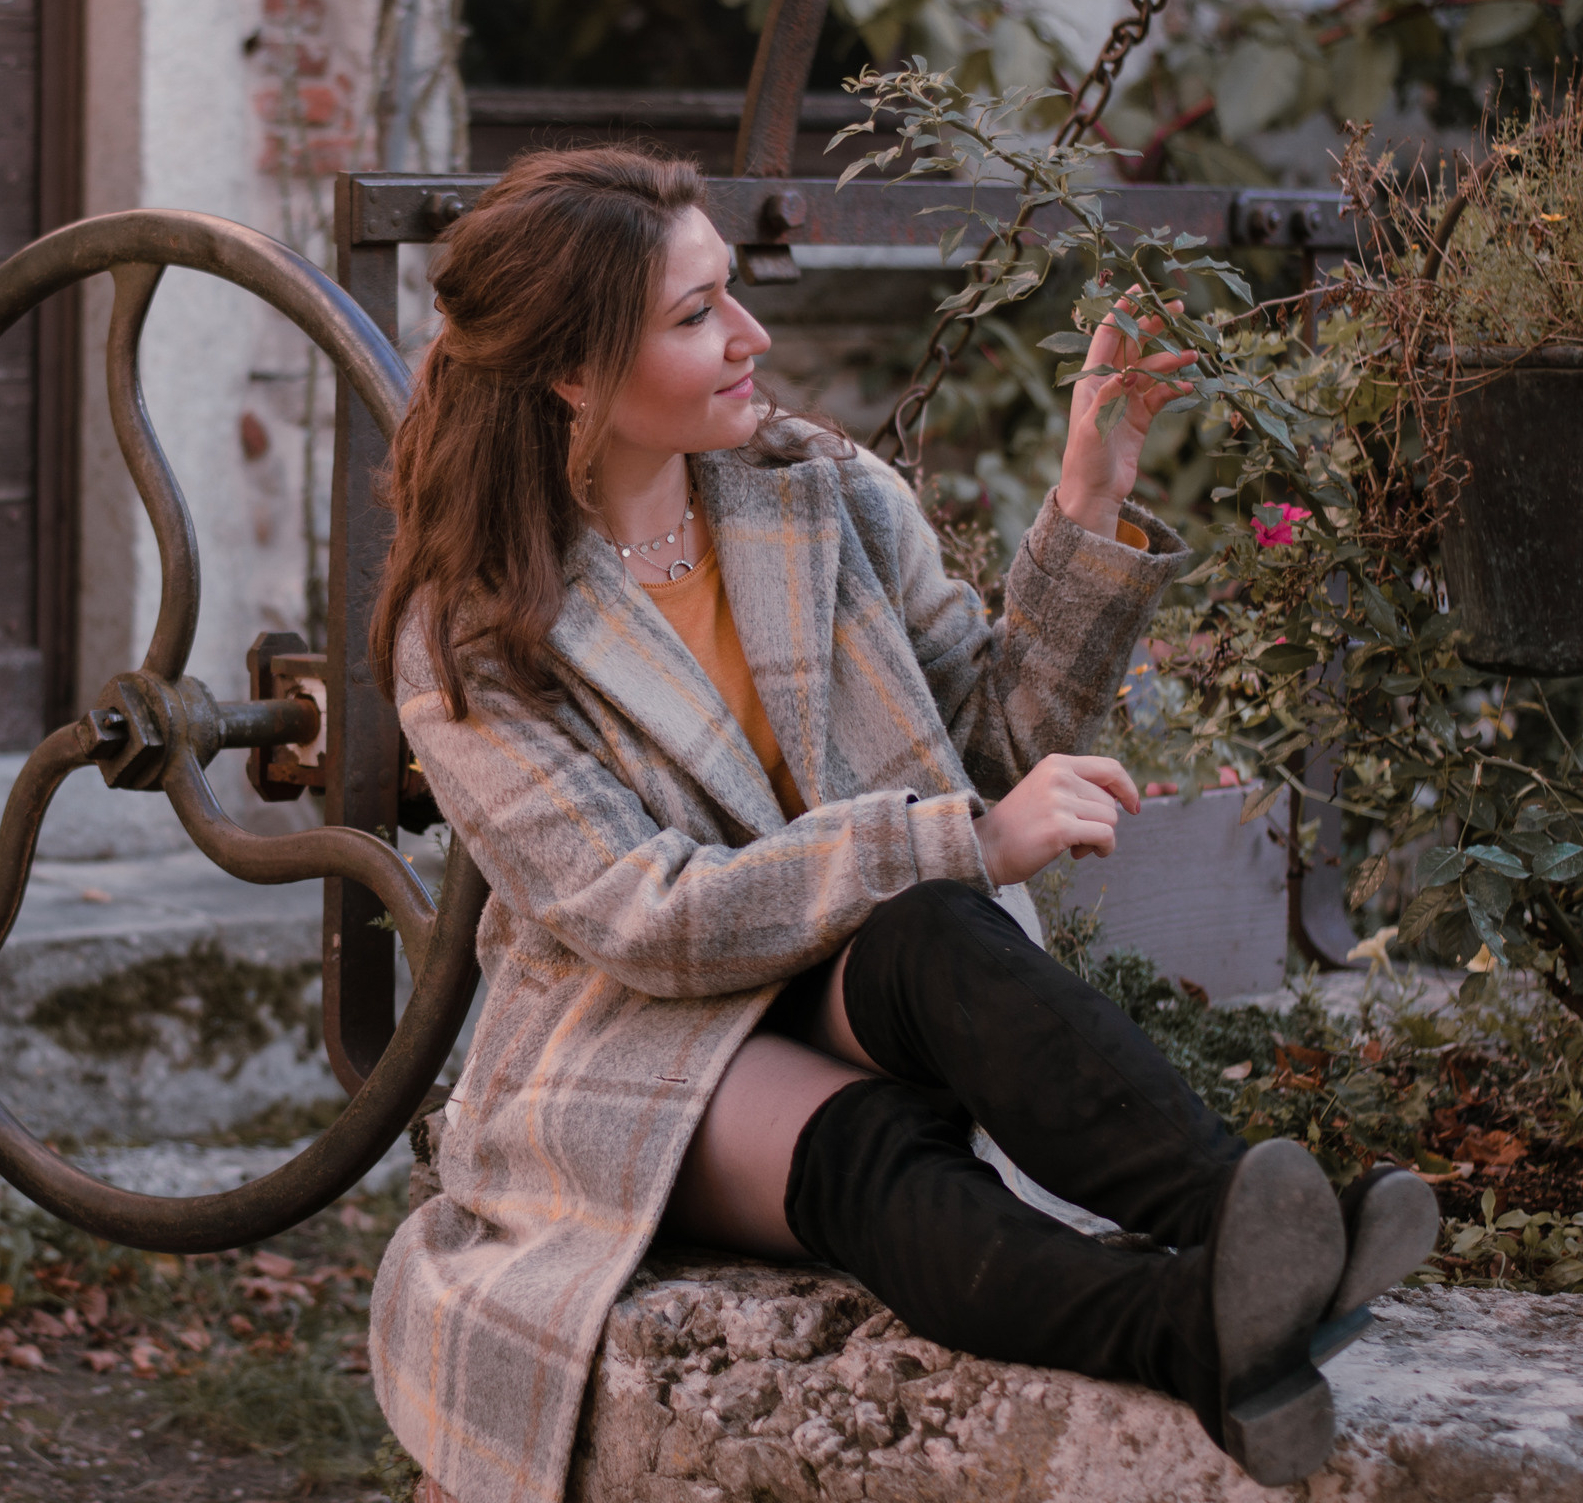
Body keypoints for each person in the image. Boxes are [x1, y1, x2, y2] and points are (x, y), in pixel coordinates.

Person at [363, 147, 1438, 1503]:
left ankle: (1256, 1231)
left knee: (937, 927)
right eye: (696, 317)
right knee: (868, 1143)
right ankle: (1189, 1338)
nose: (752, 337)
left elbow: (987, 745)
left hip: (845, 963)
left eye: (730, 294)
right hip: (630, 1032)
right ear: (574, 375)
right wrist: (961, 841)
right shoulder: (473, 633)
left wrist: (1086, 502)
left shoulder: (819, 491)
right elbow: (640, 914)